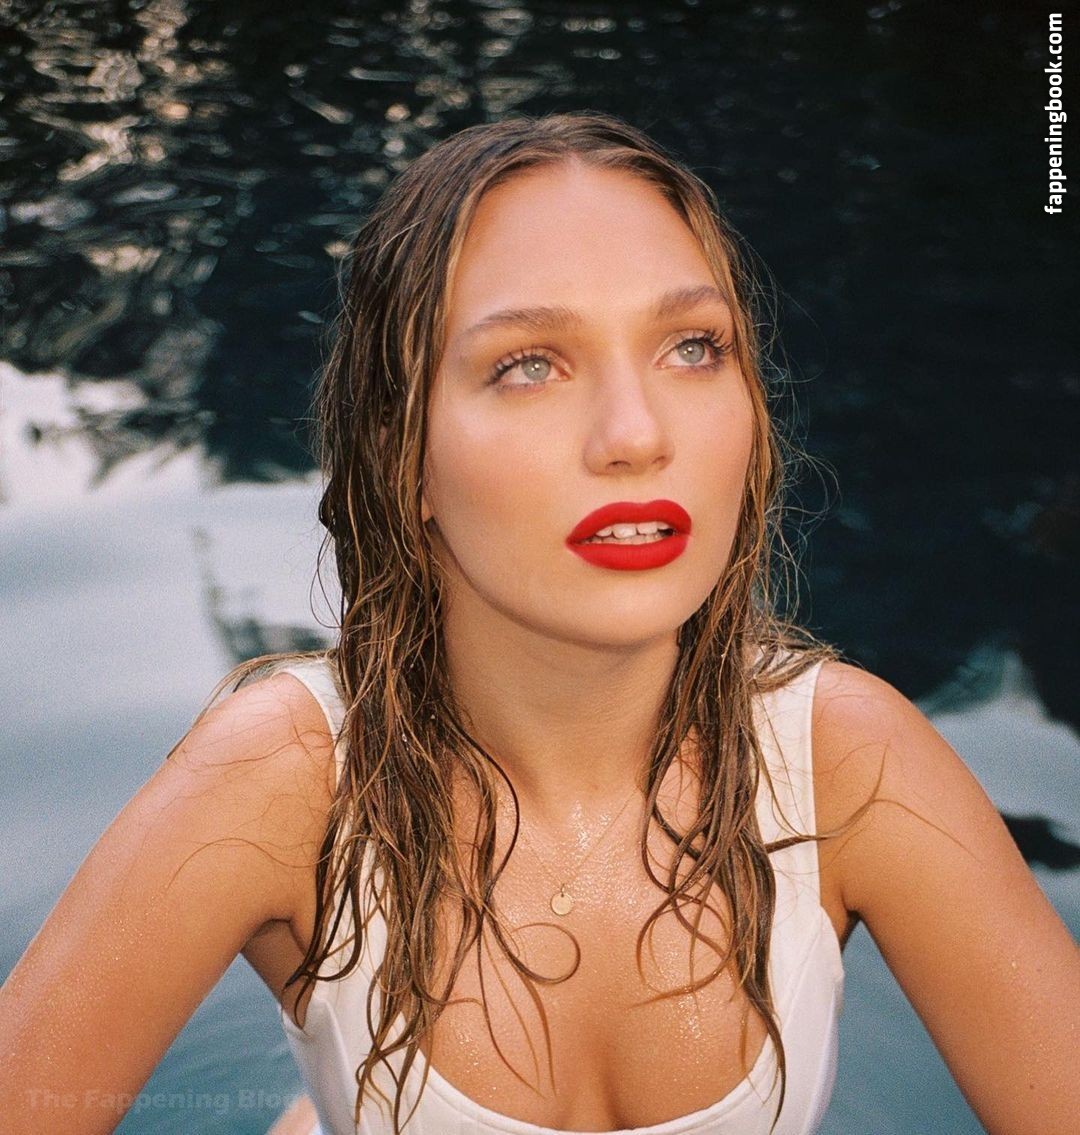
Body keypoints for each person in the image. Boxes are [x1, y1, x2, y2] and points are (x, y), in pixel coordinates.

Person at [1, 112, 1075, 1135]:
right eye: (528, 365)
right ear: (404, 455)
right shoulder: (287, 782)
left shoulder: (843, 765)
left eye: (692, 346)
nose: (635, 434)